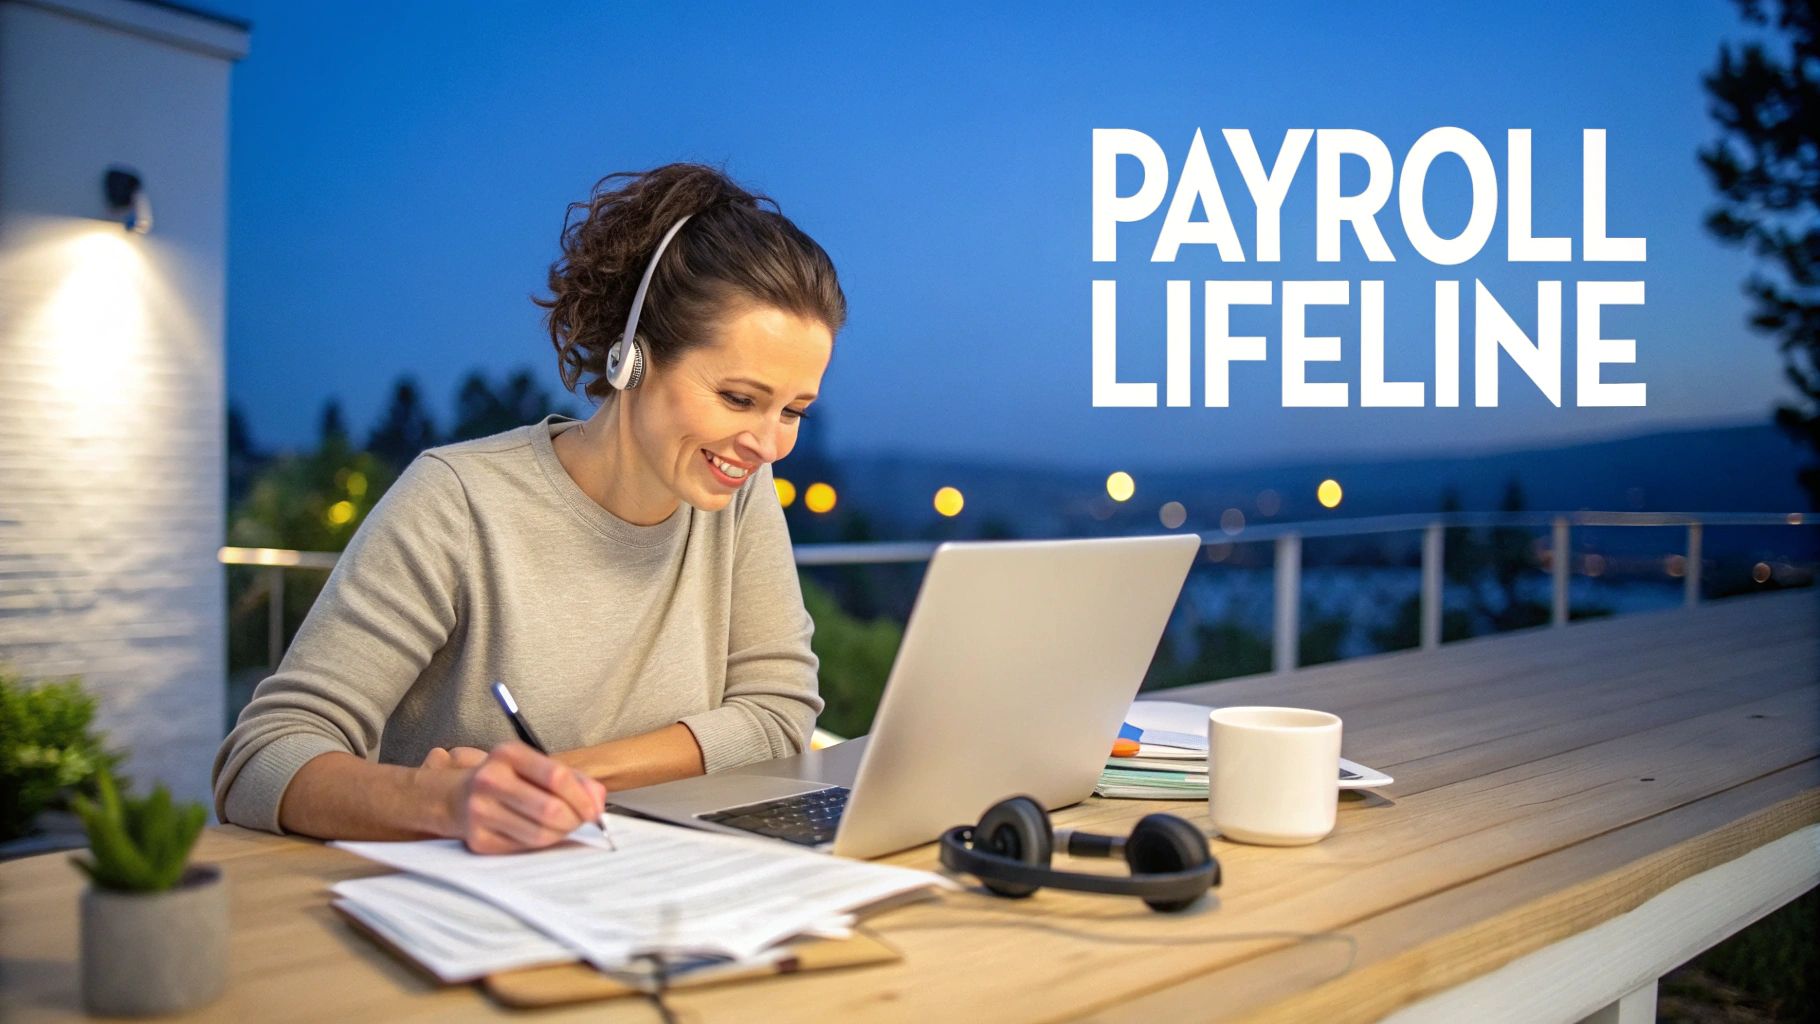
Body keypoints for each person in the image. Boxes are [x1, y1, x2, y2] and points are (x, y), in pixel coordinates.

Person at [212, 163, 844, 853]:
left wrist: (558, 779)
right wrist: (447, 801)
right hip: (467, 907)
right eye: (739, 399)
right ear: (632, 361)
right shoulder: (459, 498)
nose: (766, 445)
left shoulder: (736, 495)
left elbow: (777, 712)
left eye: (794, 412)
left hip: (652, 885)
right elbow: (262, 757)